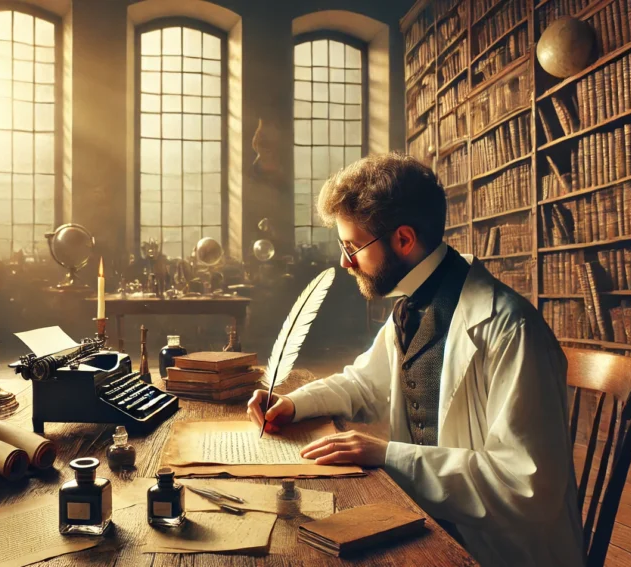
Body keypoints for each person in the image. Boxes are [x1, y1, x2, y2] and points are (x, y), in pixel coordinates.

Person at [247, 153, 585, 567]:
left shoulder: (510, 328)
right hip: (426, 520)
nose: (344, 261)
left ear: (404, 239)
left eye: (353, 246)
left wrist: (388, 455)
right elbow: (363, 383)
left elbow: (526, 487)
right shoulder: (410, 307)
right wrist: (295, 402)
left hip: (497, 550)